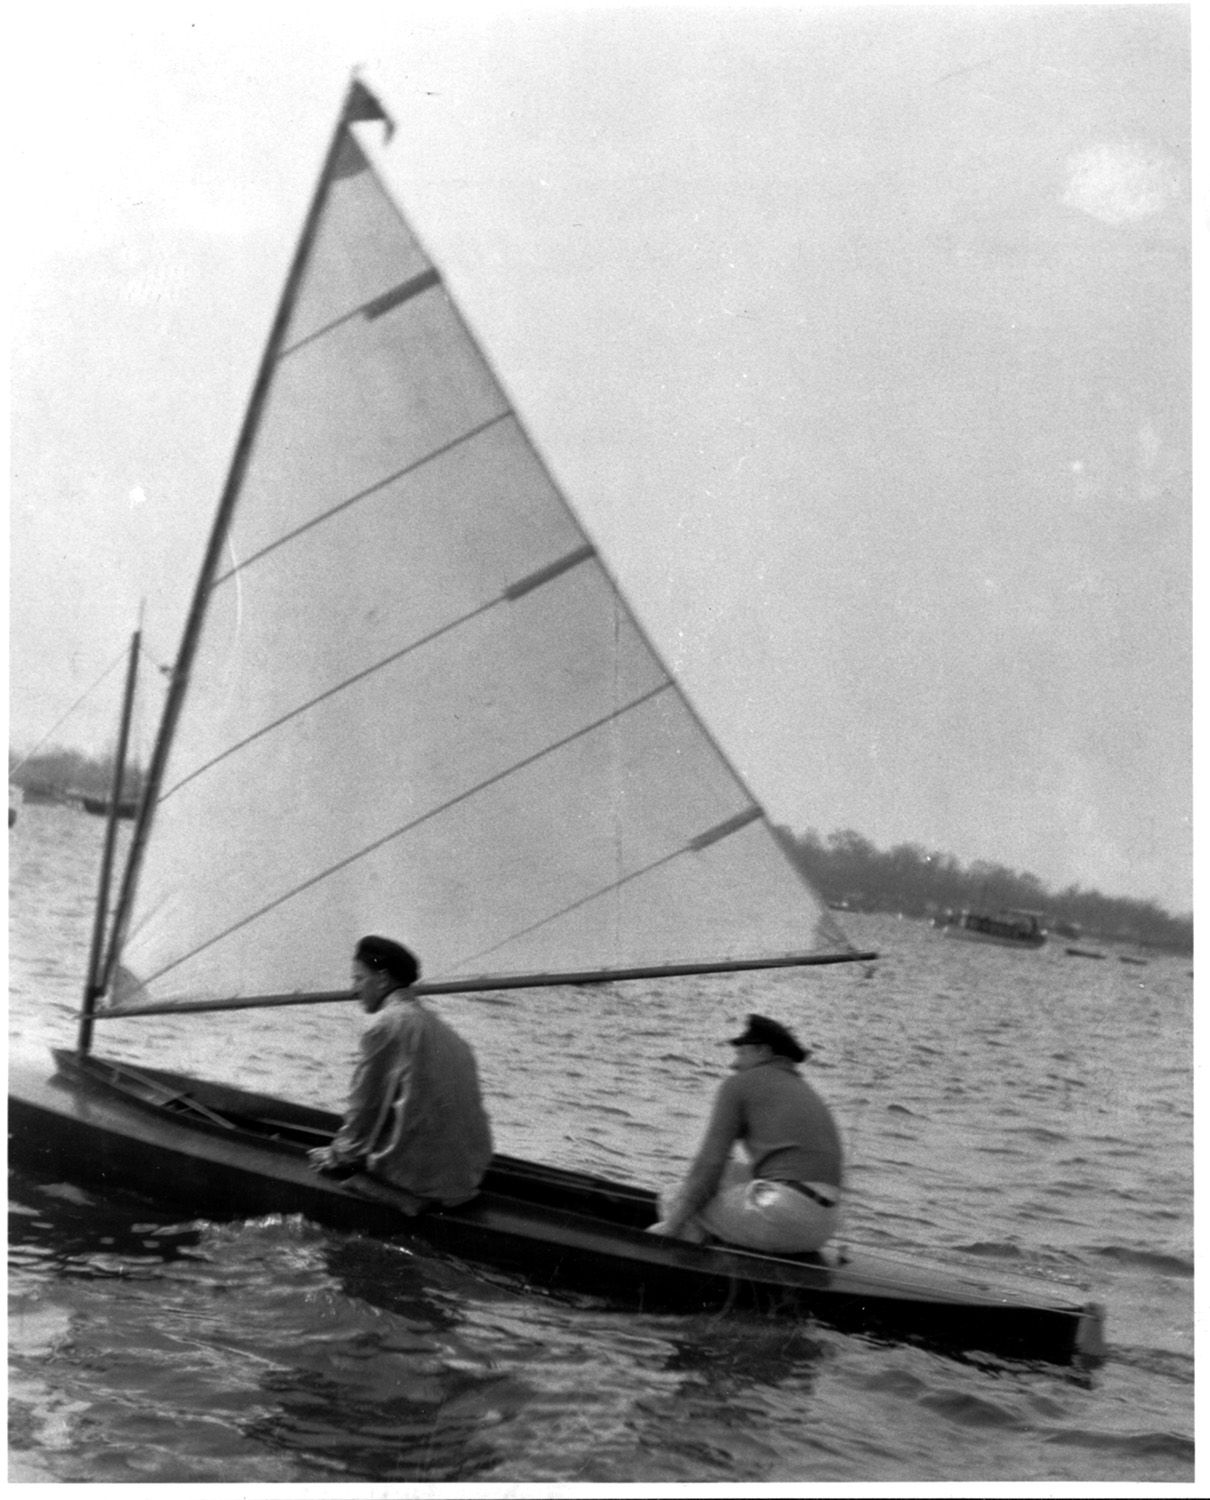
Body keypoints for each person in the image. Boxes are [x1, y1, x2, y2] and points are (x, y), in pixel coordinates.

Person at [307, 935, 493, 1212]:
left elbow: (366, 1108)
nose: (353, 990)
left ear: (382, 979)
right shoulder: (445, 1032)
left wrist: (338, 1156)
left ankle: (401, 1197)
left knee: (339, 1166)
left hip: (419, 1184)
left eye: (358, 978)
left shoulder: (388, 1024)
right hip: (463, 1181)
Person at [647, 1013, 842, 1253]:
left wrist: (671, 1226)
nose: (734, 1064)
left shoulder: (740, 1084)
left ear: (763, 1051)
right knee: (731, 1173)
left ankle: (691, 1263)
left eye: (741, 1053)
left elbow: (709, 1165)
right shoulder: (805, 1090)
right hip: (825, 1226)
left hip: (784, 1215)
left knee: (674, 1196)